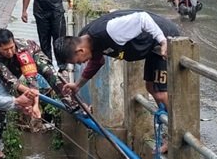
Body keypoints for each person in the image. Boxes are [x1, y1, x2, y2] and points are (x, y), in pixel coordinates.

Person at [54, 10, 181, 151]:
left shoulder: (108, 31)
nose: (80, 64)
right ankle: (171, 132)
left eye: (78, 61)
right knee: (151, 87)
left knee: (160, 93)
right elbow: (97, 62)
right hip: (152, 47)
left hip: (164, 39)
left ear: (80, 51)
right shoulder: (87, 39)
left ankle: (176, 138)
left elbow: (143, 18)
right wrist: (78, 85)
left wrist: (164, 42)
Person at [0, 28, 72, 145]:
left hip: (32, 56)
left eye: (11, 47)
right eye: (5, 50)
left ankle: (71, 102)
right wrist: (28, 99)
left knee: (49, 72)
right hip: (9, 71)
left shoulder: (24, 49)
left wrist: (35, 105)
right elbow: (11, 80)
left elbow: (31, 80)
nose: (10, 52)